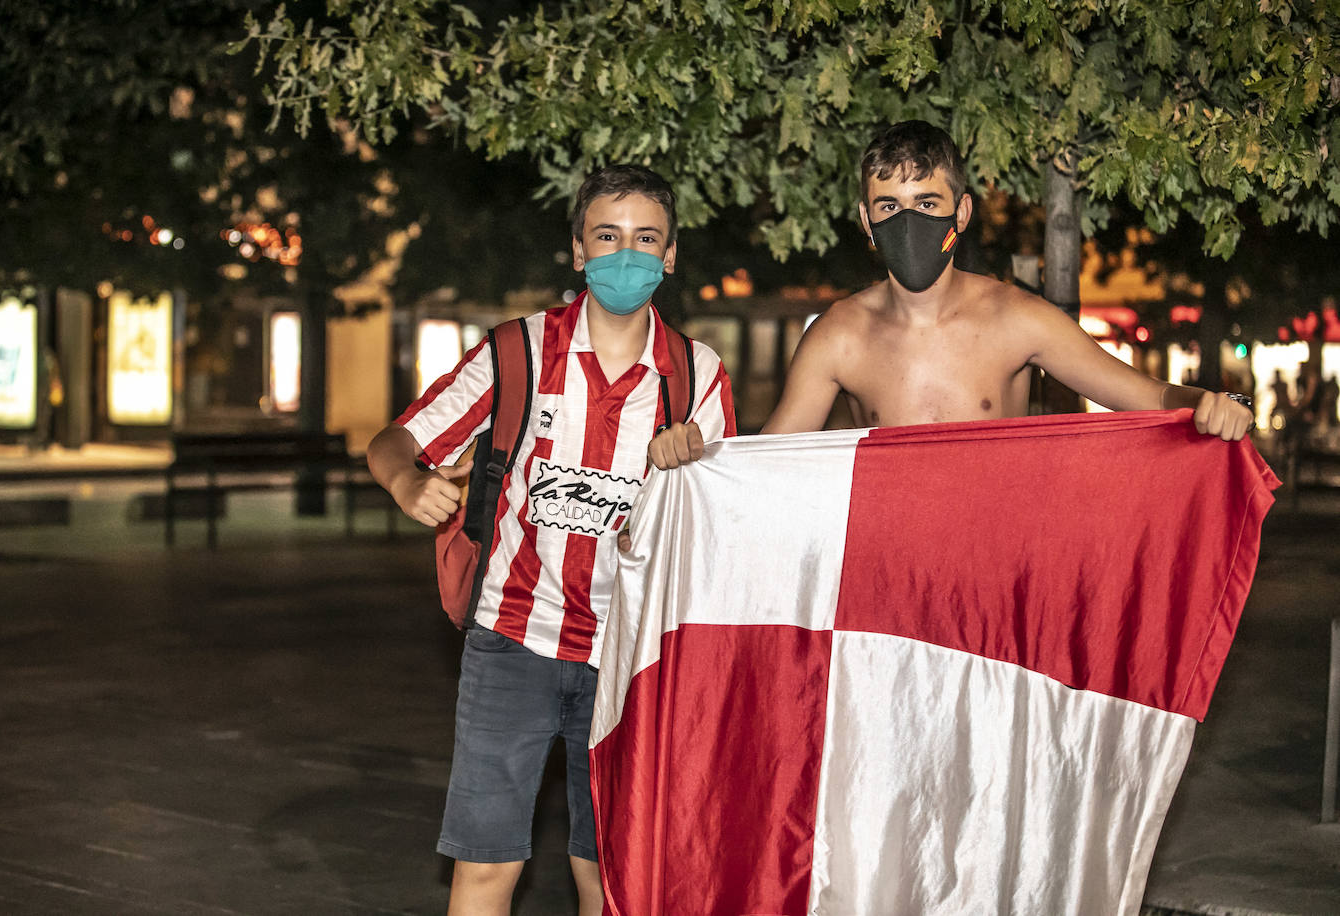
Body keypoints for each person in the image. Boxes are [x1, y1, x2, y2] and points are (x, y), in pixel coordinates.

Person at [367, 165, 735, 916]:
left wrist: (696, 456)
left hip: (631, 658)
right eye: (607, 236)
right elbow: (397, 440)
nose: (625, 254)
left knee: (608, 873)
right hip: (512, 641)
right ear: (576, 250)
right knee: (486, 866)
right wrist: (408, 483)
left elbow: (730, 517)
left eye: (644, 239)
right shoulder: (516, 353)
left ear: (670, 256)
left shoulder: (697, 376)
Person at [648, 120, 1252, 468]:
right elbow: (765, 468)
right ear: (866, 220)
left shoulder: (1018, 318)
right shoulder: (839, 335)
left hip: (997, 570)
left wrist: (1208, 401)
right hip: (888, 585)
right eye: (889, 207)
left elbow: (1147, 397)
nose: (907, 222)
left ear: (960, 212)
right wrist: (694, 458)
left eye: (926, 204)